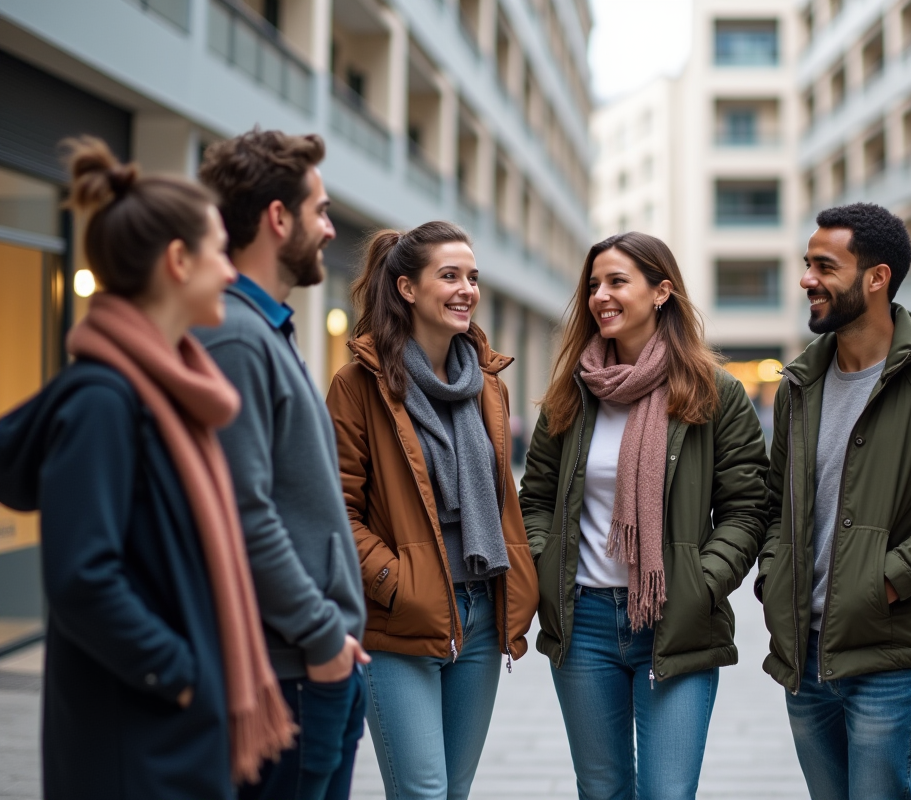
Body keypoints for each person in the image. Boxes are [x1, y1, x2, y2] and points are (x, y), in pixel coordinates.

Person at [0, 138, 294, 799]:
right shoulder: (105, 399)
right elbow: (82, 576)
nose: (229, 272)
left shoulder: (170, 390)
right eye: (219, 252)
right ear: (178, 260)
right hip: (136, 745)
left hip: (171, 737)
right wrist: (184, 674)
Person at [520, 231, 768, 799]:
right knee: (602, 789)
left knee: (668, 791)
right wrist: (546, 559)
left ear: (661, 292)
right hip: (583, 625)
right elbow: (534, 498)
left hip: (673, 618)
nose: (600, 296)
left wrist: (698, 584)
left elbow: (748, 507)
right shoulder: (573, 392)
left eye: (616, 282)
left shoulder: (714, 392)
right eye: (593, 285)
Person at [324, 221, 538, 800]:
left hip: (480, 613)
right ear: (406, 289)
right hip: (400, 618)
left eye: (472, 277)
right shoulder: (357, 386)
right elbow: (336, 511)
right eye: (449, 276)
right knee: (422, 792)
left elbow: (501, 500)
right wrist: (395, 582)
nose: (466, 288)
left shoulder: (487, 385)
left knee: (455, 790)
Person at [757, 203, 911, 800]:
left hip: (887, 652)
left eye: (824, 265)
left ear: (876, 277)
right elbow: (774, 501)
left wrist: (886, 581)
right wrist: (775, 575)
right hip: (803, 655)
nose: (806, 279)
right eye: (806, 263)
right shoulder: (798, 384)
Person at [195, 129, 368, 800]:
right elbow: (243, 512)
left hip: (312, 665)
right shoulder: (235, 337)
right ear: (277, 218)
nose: (328, 229)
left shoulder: (262, 329)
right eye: (319, 211)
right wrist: (324, 639)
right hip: (291, 670)